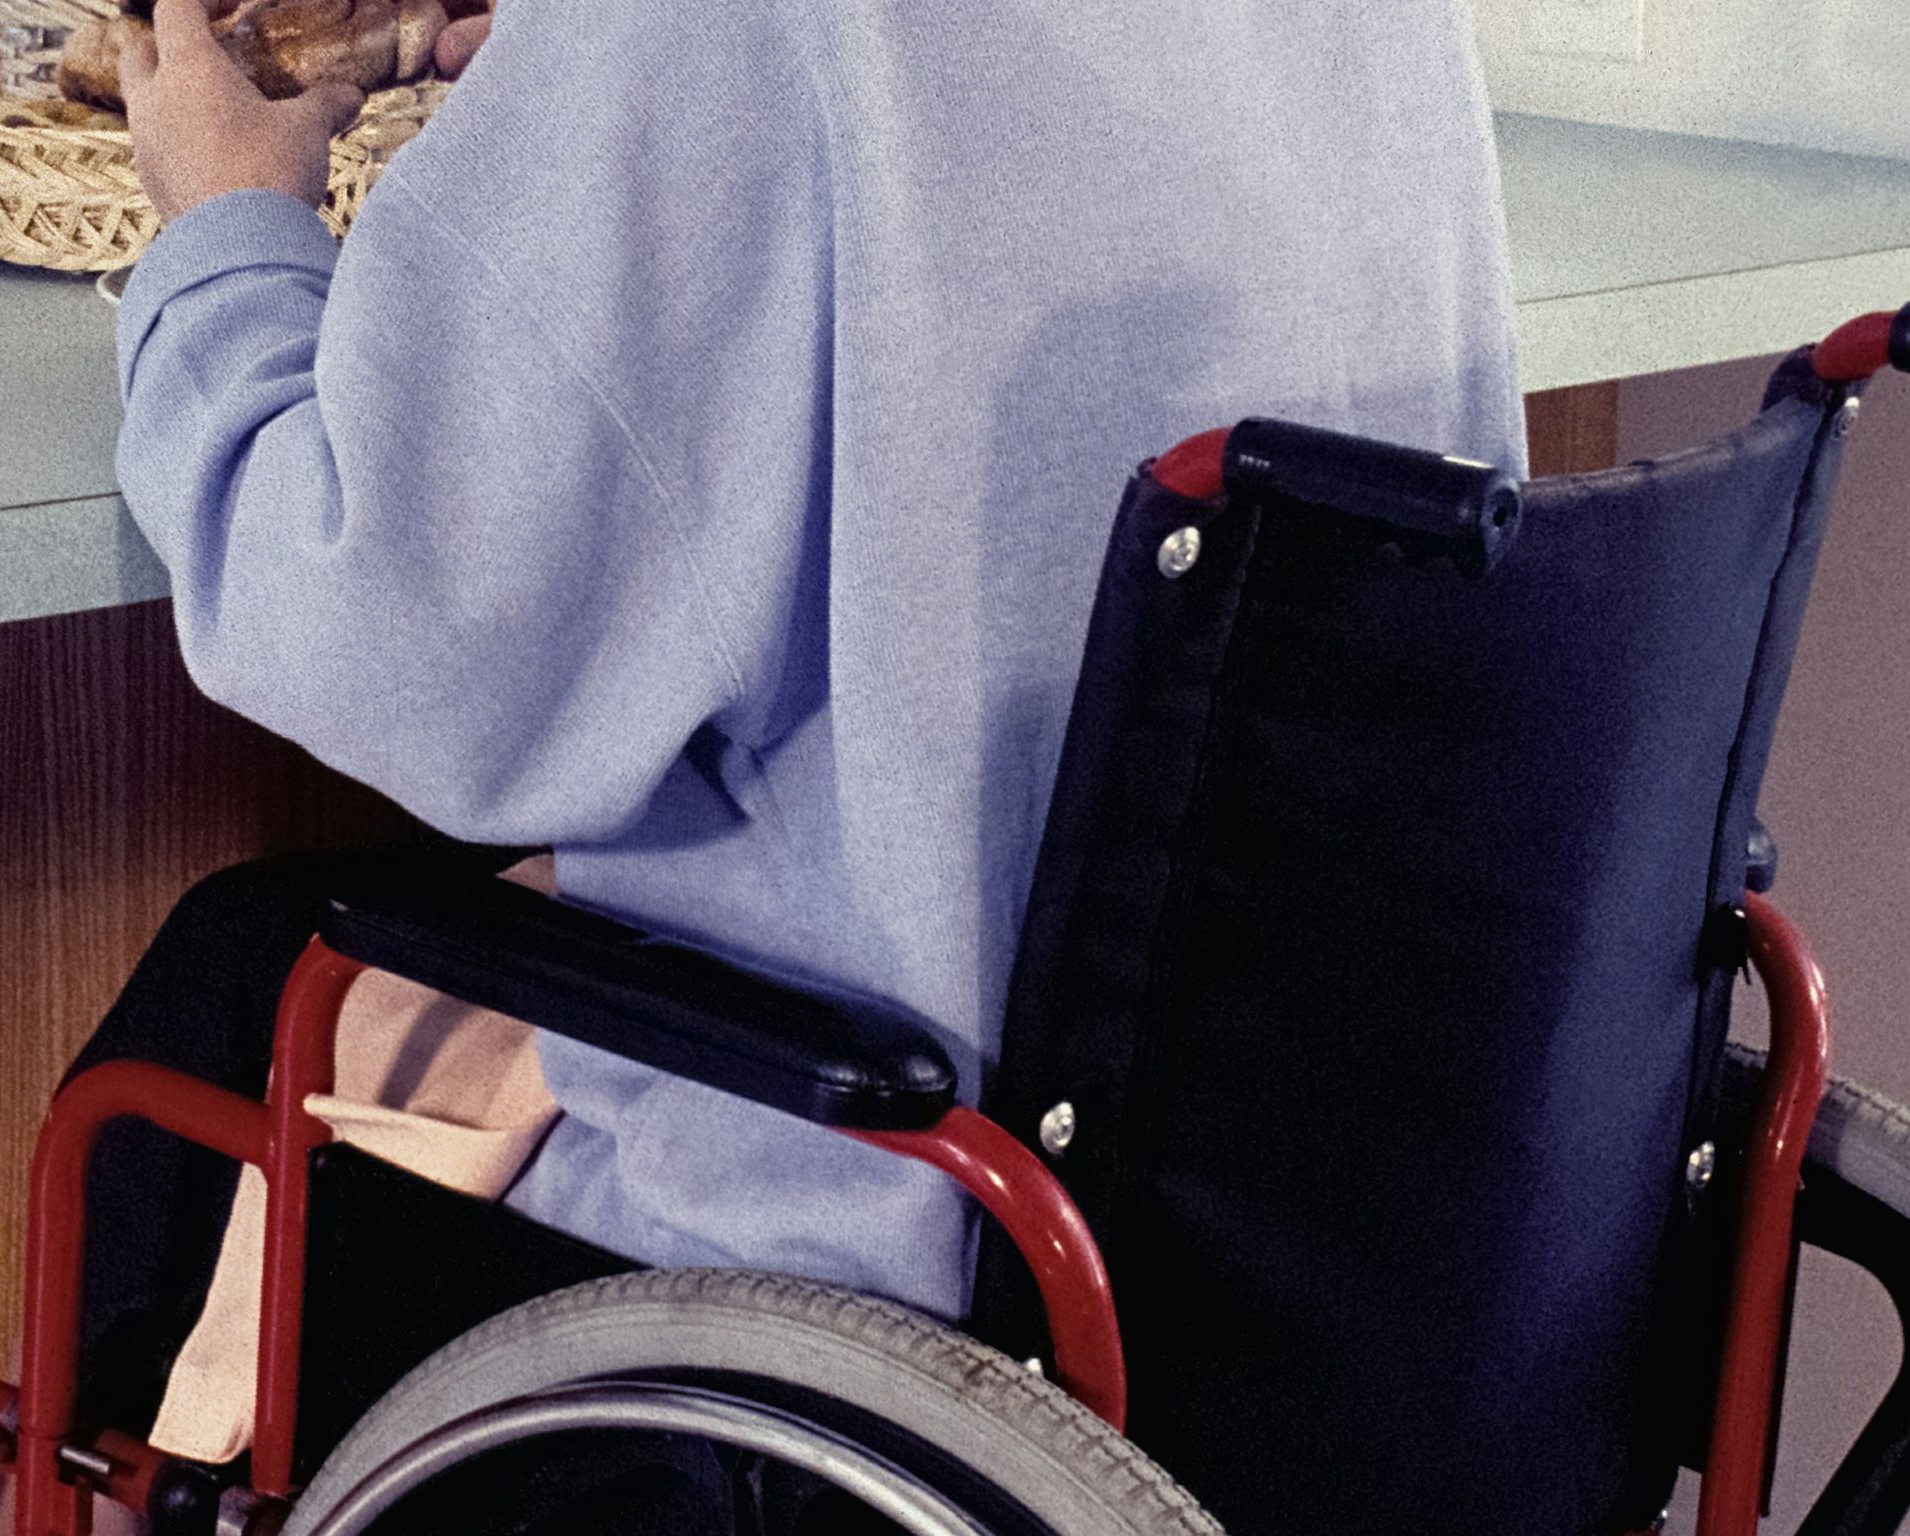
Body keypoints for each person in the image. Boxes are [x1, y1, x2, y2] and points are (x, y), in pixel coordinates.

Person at [86, 0, 1523, 1527]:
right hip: (1322, 1261)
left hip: (894, 1300)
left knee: (215, 1009)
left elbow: (386, 641)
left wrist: (228, 226)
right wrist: (592, 111)